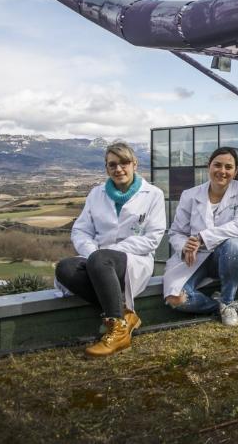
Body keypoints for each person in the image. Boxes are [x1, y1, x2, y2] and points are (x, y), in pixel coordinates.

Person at [55, 142, 166, 356]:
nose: (119, 169)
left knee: (102, 259)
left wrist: (108, 253)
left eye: (124, 163)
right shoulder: (96, 194)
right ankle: (125, 316)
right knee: (65, 268)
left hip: (134, 260)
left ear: (135, 164)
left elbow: (152, 238)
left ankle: (117, 331)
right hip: (97, 260)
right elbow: (80, 231)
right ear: (106, 168)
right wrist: (93, 254)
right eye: (112, 164)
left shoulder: (153, 194)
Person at [162, 147, 238, 326]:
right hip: (196, 257)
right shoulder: (190, 195)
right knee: (176, 299)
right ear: (208, 166)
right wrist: (185, 245)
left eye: (228, 167)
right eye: (217, 165)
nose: (222, 171)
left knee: (234, 244)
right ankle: (222, 306)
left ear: (236, 171)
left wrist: (202, 237)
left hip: (227, 256)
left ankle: (227, 300)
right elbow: (176, 232)